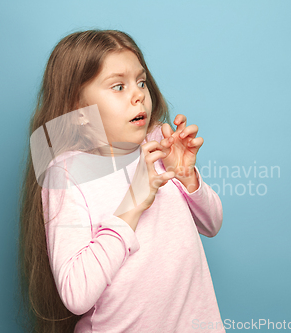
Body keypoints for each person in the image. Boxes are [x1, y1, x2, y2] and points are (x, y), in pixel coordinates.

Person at [17, 29, 225, 333]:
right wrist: (133, 202)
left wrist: (186, 175)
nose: (138, 94)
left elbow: (212, 224)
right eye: (118, 86)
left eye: (141, 82)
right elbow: (77, 294)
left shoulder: (157, 145)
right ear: (80, 111)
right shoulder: (66, 173)